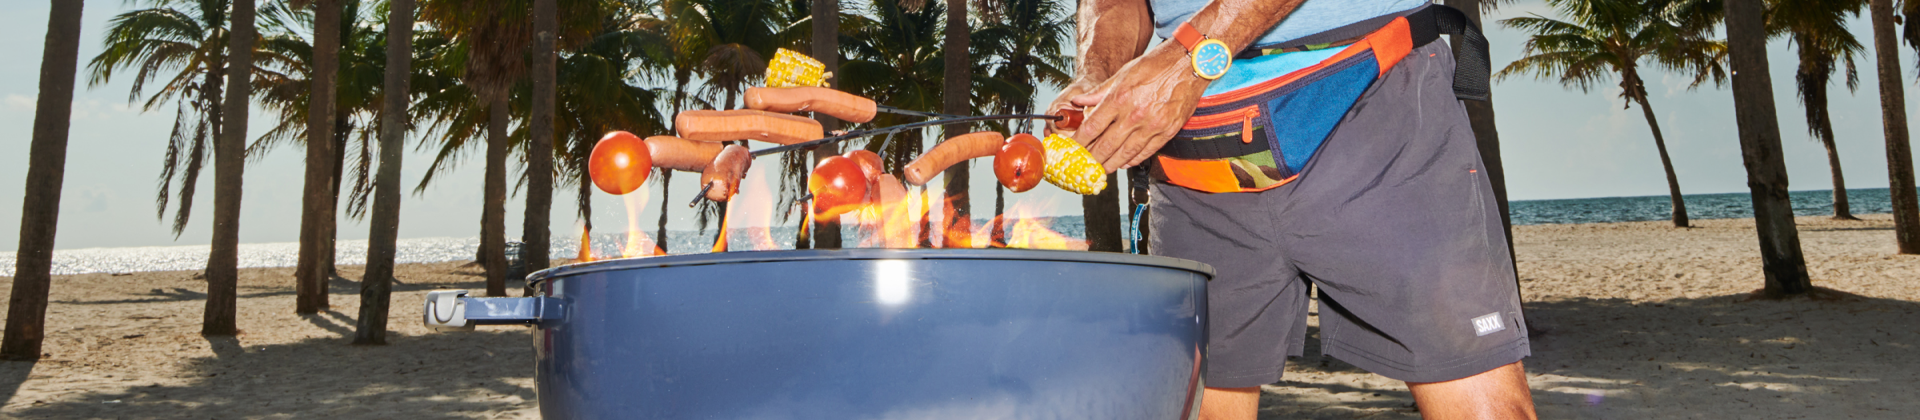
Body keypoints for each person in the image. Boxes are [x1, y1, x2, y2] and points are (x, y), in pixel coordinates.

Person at [1045, 0, 1537, 418]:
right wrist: (1098, 77)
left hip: (1368, 92)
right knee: (1200, 396)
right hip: (1192, 144)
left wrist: (1189, 59)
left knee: (1477, 390)